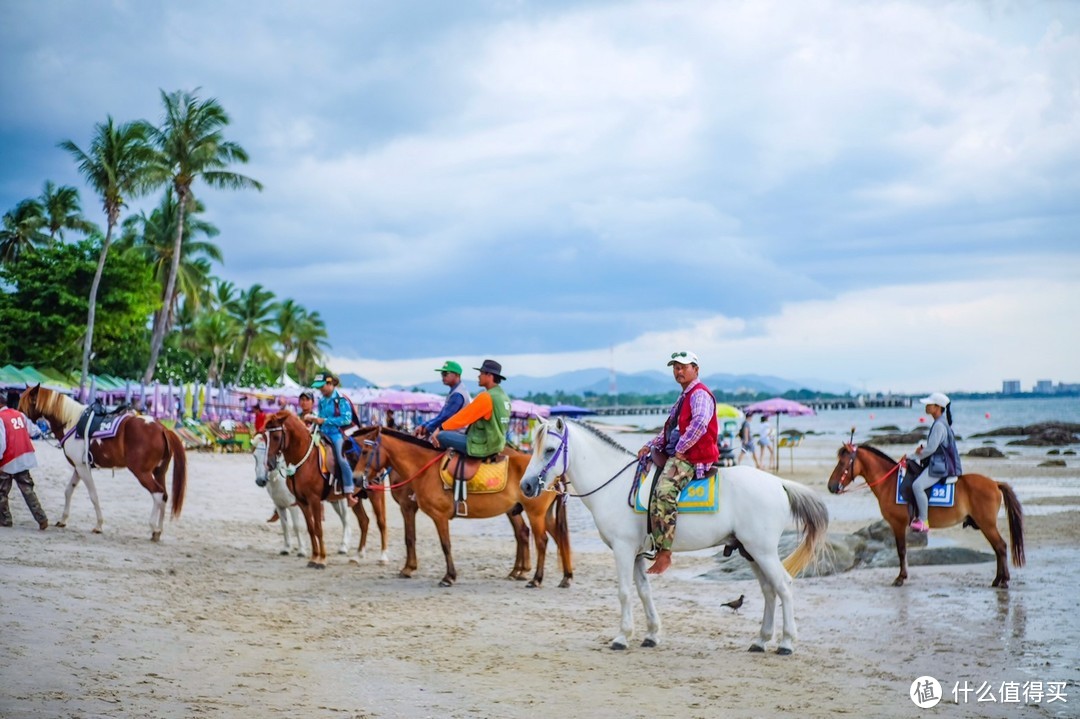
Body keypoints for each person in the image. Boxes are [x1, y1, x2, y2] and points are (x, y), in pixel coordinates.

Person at [636, 351, 719, 575]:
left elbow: (700, 423)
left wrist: (681, 449)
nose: (679, 371)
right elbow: (671, 430)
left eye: (683, 367)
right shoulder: (684, 396)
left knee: (664, 492)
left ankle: (664, 554)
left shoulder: (699, 394)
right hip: (680, 452)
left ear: (696, 369)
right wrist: (650, 444)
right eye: (675, 367)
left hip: (693, 457)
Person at [430, 359, 511, 458]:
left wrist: (440, 428)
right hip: (498, 444)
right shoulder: (504, 397)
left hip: (483, 445)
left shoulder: (486, 397)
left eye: (481, 373)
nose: (478, 376)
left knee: (441, 436)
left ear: (490, 375)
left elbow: (463, 417)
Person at [908, 392, 962, 534]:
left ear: (938, 407)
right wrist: (922, 450)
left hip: (941, 467)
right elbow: (934, 447)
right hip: (940, 462)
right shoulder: (940, 422)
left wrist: (912, 457)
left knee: (917, 486)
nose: (926, 406)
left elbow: (931, 449)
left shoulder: (939, 425)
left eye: (929, 404)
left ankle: (923, 520)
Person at [0, 390, 48, 530]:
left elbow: (1, 443)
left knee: (2, 492)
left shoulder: (0, 418)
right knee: (28, 490)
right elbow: (35, 431)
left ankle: (5, 519)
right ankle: (41, 518)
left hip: (8, 459)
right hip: (24, 456)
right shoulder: (19, 414)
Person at [307, 373, 357, 506]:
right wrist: (313, 422)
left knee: (341, 459)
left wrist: (324, 420)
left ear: (330, 384)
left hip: (337, 435)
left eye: (322, 386)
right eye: (319, 388)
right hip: (322, 432)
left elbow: (346, 419)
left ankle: (349, 491)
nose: (320, 390)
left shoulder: (340, 400)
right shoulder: (322, 400)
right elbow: (320, 417)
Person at [415, 361, 472, 439]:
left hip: (458, 432)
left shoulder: (458, 394)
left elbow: (445, 417)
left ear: (457, 375)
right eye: (442, 374)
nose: (443, 377)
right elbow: (441, 416)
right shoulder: (456, 390)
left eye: (445, 374)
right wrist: (424, 425)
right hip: (453, 431)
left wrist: (427, 427)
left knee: (439, 436)